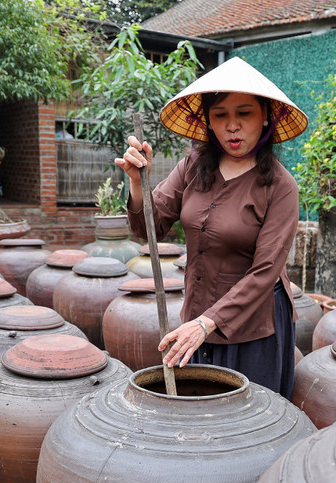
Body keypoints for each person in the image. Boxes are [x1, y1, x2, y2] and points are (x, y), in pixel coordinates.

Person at [114, 57, 309, 398]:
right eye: (220, 115)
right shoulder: (192, 166)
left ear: (265, 116)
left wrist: (206, 324)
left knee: (246, 419)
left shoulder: (280, 186)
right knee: (198, 414)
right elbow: (150, 228)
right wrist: (136, 183)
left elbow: (265, 271)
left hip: (252, 328)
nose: (232, 126)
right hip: (196, 317)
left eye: (244, 113)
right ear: (208, 121)